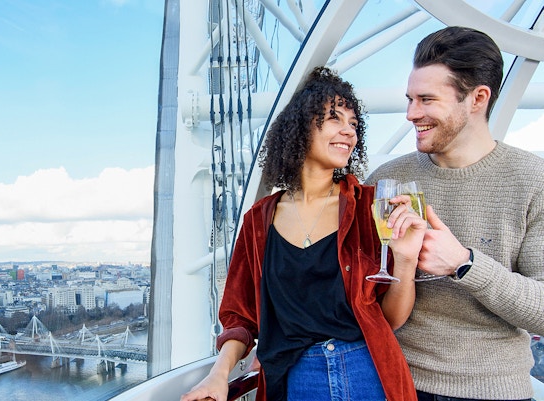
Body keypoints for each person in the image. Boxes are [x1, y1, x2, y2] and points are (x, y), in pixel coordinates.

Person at [181, 66, 425, 401]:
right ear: (300, 127)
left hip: (368, 374)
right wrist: (218, 375)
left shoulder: (371, 206)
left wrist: (406, 260)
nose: (348, 132)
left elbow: (390, 320)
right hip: (296, 379)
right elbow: (240, 316)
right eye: (334, 118)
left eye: (353, 124)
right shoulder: (258, 221)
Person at [366, 26, 544, 401]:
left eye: (427, 99)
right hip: (392, 384)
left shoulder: (534, 181)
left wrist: (464, 264)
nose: (412, 114)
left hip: (495, 392)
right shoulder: (386, 180)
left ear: (477, 98)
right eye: (410, 99)